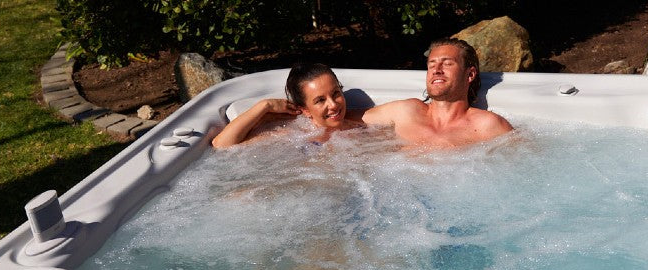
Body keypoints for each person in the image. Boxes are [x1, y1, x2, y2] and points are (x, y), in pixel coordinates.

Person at [361, 38, 513, 147]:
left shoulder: (488, 125)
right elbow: (341, 119)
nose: (436, 70)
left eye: (447, 64)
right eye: (431, 64)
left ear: (470, 74)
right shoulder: (405, 111)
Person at [211, 63, 361, 148]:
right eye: (320, 100)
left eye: (335, 93)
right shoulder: (294, 134)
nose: (333, 105)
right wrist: (265, 105)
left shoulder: (359, 124)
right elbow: (222, 145)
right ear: (305, 110)